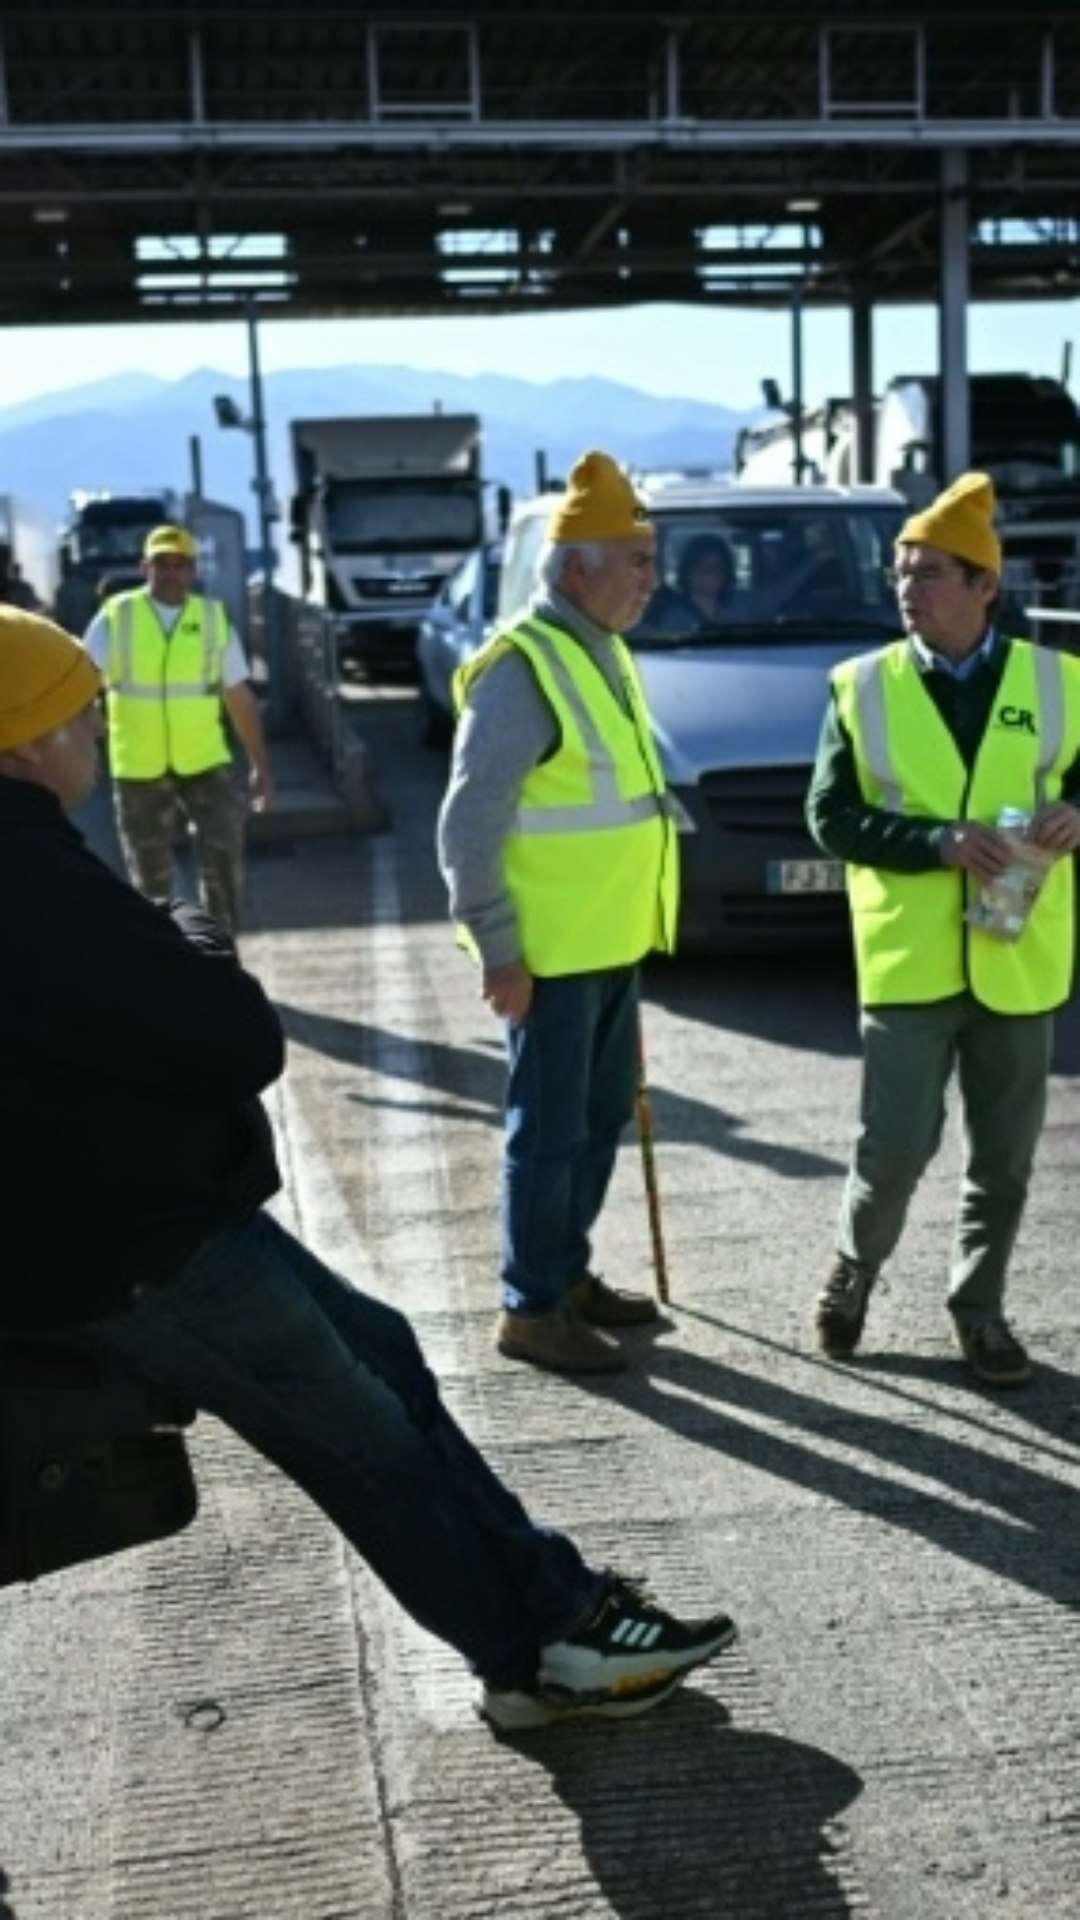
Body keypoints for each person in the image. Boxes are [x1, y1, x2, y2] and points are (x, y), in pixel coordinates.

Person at [0, 604, 736, 1734]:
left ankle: (551, 1620)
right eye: (79, 714)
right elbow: (232, 1036)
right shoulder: (28, 871)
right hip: (141, 1248)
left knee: (385, 1367)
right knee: (365, 1438)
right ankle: (543, 1642)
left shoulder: (33, 858)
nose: (96, 731)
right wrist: (189, 930)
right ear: (25, 741)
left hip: (153, 1224)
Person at [806, 471, 1080, 1387]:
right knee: (892, 1151)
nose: (907, 590)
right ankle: (856, 1269)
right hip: (910, 961)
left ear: (985, 587)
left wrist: (1075, 812)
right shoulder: (860, 687)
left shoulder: (1061, 681)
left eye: (928, 575)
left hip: (1019, 956)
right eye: (901, 574)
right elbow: (830, 818)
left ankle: (982, 1311)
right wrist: (932, 842)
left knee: (1002, 1160)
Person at [438, 451, 679, 1377]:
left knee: (598, 1114)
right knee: (548, 1132)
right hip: (547, 955)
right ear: (578, 568)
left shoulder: (602, 650)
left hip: (609, 942)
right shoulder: (521, 670)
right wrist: (498, 950)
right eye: (637, 561)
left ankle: (565, 1272)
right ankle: (531, 1305)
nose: (651, 579)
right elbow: (467, 827)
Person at [82, 524, 272, 934]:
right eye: (161, 564)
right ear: (144, 567)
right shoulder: (116, 617)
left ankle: (220, 960)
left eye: (180, 564)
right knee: (151, 881)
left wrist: (260, 765)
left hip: (206, 761)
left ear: (193, 570)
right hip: (138, 768)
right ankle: (166, 968)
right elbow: (80, 688)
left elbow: (238, 695)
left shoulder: (211, 618)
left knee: (223, 864)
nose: (171, 572)